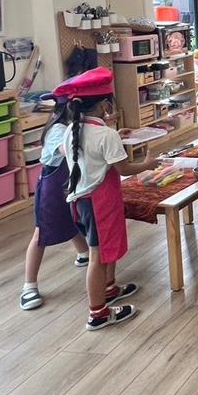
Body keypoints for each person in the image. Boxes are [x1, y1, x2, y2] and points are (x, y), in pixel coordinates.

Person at [57, 67, 158, 330]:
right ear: (104, 105)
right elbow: (123, 169)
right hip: (99, 201)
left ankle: (109, 288)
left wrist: (116, 137)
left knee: (105, 248)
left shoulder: (72, 130)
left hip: (82, 200)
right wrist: (148, 164)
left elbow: (84, 151)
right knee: (97, 256)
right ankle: (98, 312)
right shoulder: (105, 135)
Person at [19, 96, 90, 311]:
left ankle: (84, 253)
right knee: (41, 232)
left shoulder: (72, 125)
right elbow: (68, 150)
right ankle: (29, 286)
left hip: (70, 182)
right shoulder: (58, 130)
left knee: (71, 218)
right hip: (51, 186)